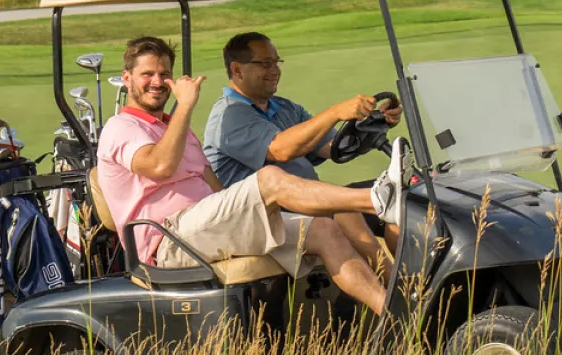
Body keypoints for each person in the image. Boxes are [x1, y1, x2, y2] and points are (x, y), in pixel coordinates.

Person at [96, 35, 402, 315]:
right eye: (147, 74)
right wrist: (186, 105)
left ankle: (397, 313)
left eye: (164, 74)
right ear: (126, 79)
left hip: (205, 227)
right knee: (270, 177)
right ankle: (376, 199)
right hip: (168, 240)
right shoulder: (121, 128)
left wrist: (373, 125)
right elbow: (159, 167)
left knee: (325, 228)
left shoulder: (175, 129)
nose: (158, 81)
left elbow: (211, 184)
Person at [204, 32, 402, 269]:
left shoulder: (285, 107)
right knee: (344, 210)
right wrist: (335, 113)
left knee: (401, 212)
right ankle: (396, 287)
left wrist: (375, 124)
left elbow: (333, 148)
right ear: (237, 70)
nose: (275, 70)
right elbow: (280, 150)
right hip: (261, 216)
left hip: (304, 203)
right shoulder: (229, 115)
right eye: (265, 63)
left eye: (277, 62)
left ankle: (417, 286)